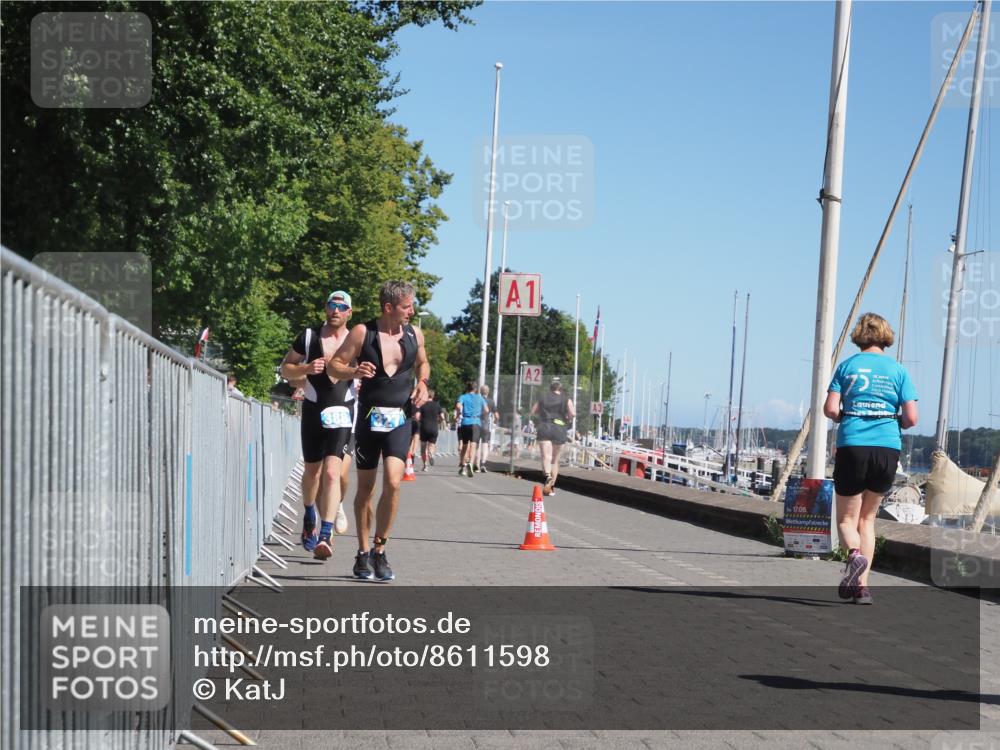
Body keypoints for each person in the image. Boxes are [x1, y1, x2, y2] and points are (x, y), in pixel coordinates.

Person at [328, 281, 430, 582]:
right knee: (366, 490)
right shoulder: (363, 333)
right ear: (389, 307)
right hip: (369, 420)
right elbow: (334, 366)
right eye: (406, 306)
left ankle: (380, 549)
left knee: (394, 483)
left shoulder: (414, 334)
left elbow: (423, 363)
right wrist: (354, 371)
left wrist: (423, 383)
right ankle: (362, 552)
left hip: (399, 420)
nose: (411, 311)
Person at [824, 312, 918, 605]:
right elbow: (911, 418)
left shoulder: (847, 366)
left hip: (853, 445)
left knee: (847, 519)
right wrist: (893, 419)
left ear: (860, 335)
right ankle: (862, 588)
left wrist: (845, 416)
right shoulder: (898, 371)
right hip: (887, 448)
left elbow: (830, 409)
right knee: (867, 520)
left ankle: (853, 555)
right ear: (885, 336)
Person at [279, 291, 357, 560]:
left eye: (342, 307)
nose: (336, 310)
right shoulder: (309, 337)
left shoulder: (356, 340)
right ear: (325, 308)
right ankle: (309, 513)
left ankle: (325, 534)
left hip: (343, 411)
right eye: (332, 305)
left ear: (349, 312)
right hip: (313, 409)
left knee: (333, 473)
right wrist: (306, 368)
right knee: (312, 472)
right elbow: (285, 369)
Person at [531, 377, 575, 496]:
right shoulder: (566, 399)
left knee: (546, 457)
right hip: (559, 428)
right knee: (555, 461)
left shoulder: (543, 397)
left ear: (550, 388)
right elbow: (573, 413)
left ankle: (547, 476)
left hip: (545, 426)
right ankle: (550, 488)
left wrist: (541, 414)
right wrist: (567, 419)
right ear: (560, 388)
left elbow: (533, 411)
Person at [455, 381, 487, 478]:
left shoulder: (463, 397)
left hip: (465, 422)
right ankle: (471, 463)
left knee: (465, 445)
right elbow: (486, 410)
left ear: (467, 388)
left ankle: (462, 465)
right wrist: (480, 415)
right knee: (473, 445)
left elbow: (458, 406)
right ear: (476, 389)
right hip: (476, 422)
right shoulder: (480, 398)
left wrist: (458, 414)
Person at [417, 389, 445, 471]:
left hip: (424, 427)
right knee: (431, 445)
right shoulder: (437, 405)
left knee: (423, 447)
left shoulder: (423, 405)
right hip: (434, 428)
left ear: (427, 395)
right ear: (433, 396)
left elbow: (417, 416)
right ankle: (431, 454)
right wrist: (439, 422)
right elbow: (442, 417)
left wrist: (421, 420)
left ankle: (425, 465)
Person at [475, 384, 499, 472]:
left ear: (480, 392)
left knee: (477, 445)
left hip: (477, 424)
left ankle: (476, 465)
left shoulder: (477, 400)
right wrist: (495, 423)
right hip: (486, 425)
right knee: (485, 444)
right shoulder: (491, 402)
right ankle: (483, 463)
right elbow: (497, 416)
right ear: (488, 392)